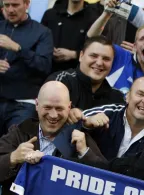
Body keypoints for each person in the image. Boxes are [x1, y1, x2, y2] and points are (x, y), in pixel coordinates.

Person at [0, 81, 107, 195]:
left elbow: (105, 183)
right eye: (47, 107)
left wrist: (84, 153)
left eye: (59, 108)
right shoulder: (20, 132)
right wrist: (13, 158)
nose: (53, 115)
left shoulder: (79, 137)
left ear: (69, 107)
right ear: (36, 105)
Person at [69, 77, 144, 160]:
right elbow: (69, 125)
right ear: (127, 97)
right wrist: (86, 124)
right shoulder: (107, 112)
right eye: (140, 94)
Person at [0, 0, 53, 137]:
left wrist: (17, 48)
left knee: (16, 146)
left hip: (23, 103)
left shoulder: (42, 32)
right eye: (7, 5)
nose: (10, 9)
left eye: (15, 5)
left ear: (27, 4)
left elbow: (44, 66)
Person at [87, 2, 144, 95]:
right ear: (135, 45)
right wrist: (106, 14)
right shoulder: (122, 56)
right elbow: (92, 40)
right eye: (142, 39)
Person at [46, 36, 124, 111]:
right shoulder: (60, 82)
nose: (99, 63)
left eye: (106, 59)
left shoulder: (117, 98)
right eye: (94, 56)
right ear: (81, 56)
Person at [41, 0, 106, 72]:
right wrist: (48, 50)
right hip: (47, 71)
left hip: (76, 73)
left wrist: (74, 54)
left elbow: (96, 47)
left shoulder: (93, 18)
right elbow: (39, 40)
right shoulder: (50, 14)